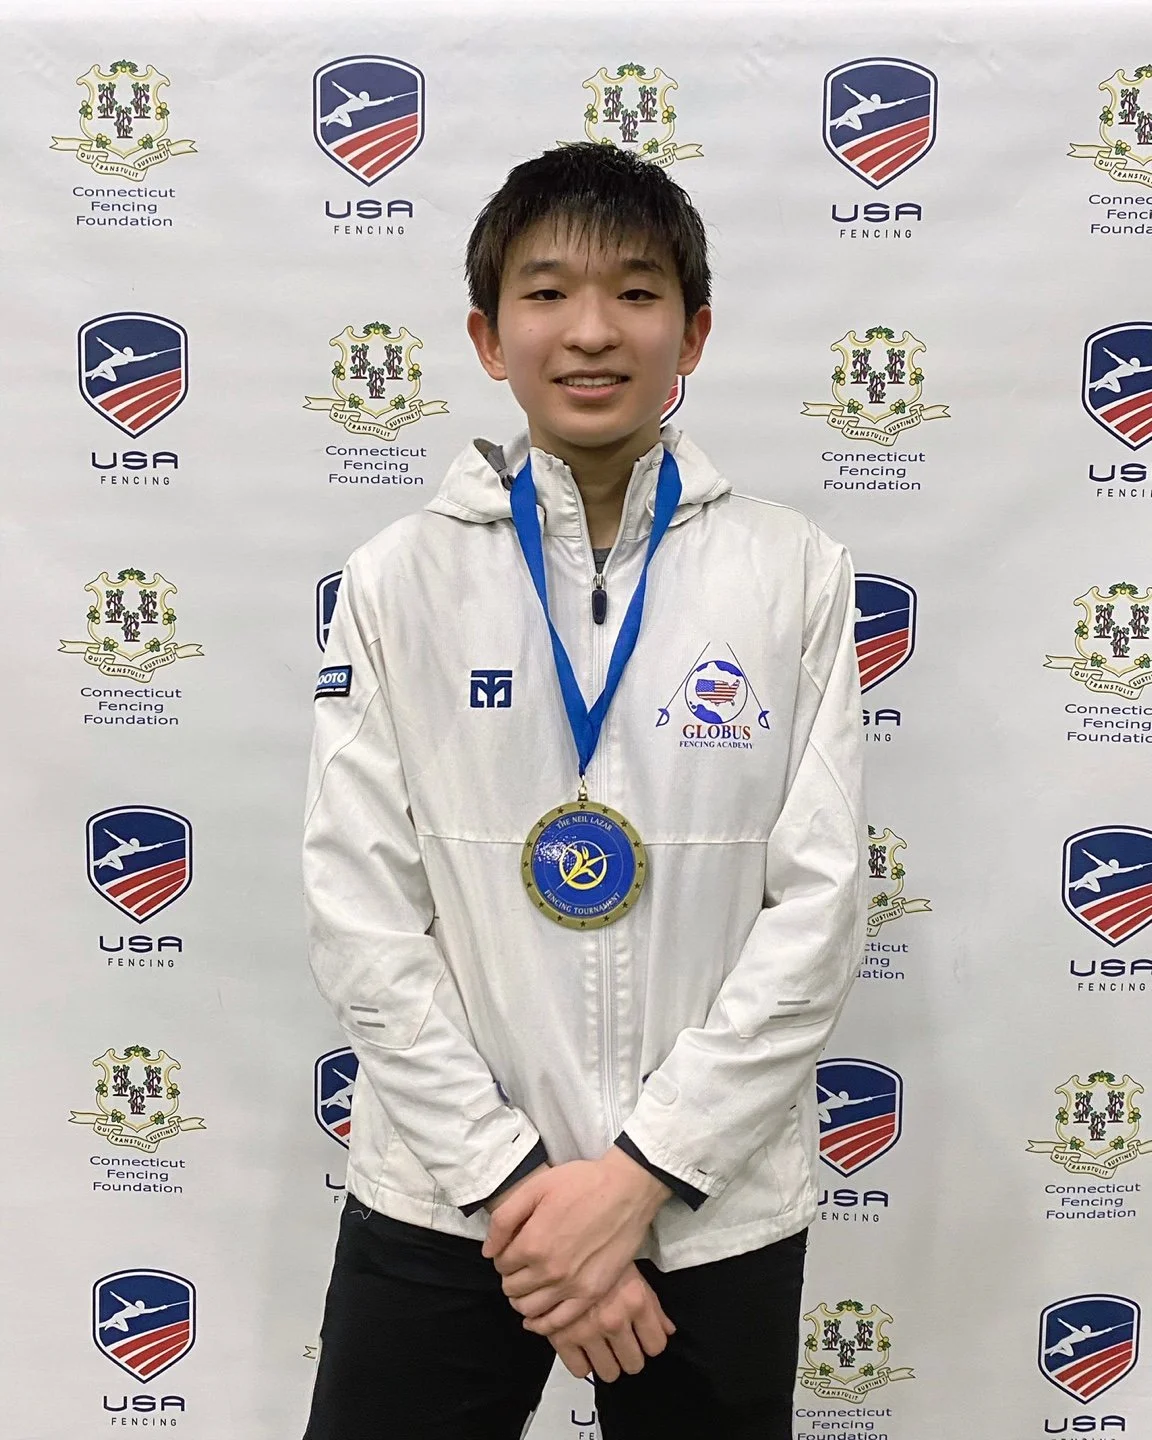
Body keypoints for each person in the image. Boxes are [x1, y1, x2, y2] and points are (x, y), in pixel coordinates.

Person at [301, 141, 867, 1440]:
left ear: (696, 328)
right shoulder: (398, 581)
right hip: (447, 1195)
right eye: (547, 293)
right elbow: (361, 917)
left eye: (638, 291)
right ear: (488, 337)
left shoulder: (793, 574)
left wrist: (641, 1176)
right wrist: (521, 1193)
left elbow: (818, 912)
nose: (593, 331)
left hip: (705, 1206)